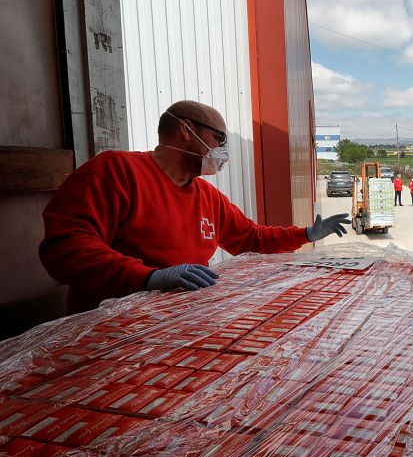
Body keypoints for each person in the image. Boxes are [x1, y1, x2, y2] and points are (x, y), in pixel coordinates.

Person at [40, 100, 350, 315]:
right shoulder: (115, 171)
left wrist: (306, 234)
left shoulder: (207, 196)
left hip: (176, 328)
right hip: (109, 332)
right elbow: (66, 248)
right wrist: (148, 278)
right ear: (186, 130)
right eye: (219, 138)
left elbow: (251, 238)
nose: (223, 150)